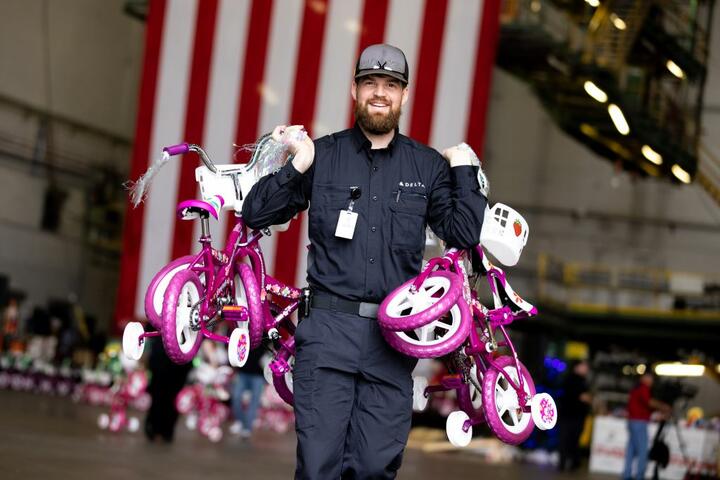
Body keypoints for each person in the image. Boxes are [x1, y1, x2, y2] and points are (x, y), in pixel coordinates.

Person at [242, 43, 487, 479]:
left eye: (390, 85)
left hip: (392, 343)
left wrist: (464, 169)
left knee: (375, 468)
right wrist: (297, 165)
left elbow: (464, 233)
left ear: (404, 95)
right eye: (370, 82)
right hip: (327, 334)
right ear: (355, 89)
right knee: (319, 468)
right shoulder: (323, 155)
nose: (380, 93)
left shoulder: (427, 167)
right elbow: (255, 214)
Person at [622, 373, 671, 480]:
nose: (652, 381)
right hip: (639, 422)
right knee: (643, 451)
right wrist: (664, 406)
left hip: (632, 421)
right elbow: (649, 402)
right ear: (644, 378)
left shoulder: (636, 388)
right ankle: (640, 476)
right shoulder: (643, 388)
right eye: (650, 378)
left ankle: (626, 475)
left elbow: (643, 405)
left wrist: (655, 413)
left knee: (631, 450)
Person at [557, 359, 592, 472]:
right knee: (568, 440)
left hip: (574, 416)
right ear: (577, 367)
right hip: (571, 416)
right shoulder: (573, 380)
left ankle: (569, 463)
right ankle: (567, 463)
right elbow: (583, 397)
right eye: (584, 366)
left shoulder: (581, 380)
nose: (586, 368)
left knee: (571, 440)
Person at [229, 346, 266, 438]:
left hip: (258, 374)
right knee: (236, 396)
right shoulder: (244, 332)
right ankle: (239, 421)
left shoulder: (266, 333)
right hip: (243, 372)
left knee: (254, 402)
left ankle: (247, 427)